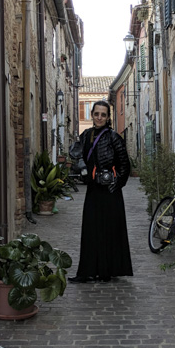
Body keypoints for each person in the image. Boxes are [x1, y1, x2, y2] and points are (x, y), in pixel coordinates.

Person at [70, 101, 133, 283]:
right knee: (90, 230)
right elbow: (78, 157)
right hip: (93, 190)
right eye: (96, 114)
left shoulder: (114, 138)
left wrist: (117, 184)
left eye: (103, 115)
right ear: (92, 115)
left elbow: (124, 164)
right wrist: (83, 172)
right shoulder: (86, 136)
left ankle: (107, 271)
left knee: (110, 231)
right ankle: (87, 272)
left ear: (108, 117)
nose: (99, 118)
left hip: (111, 192)